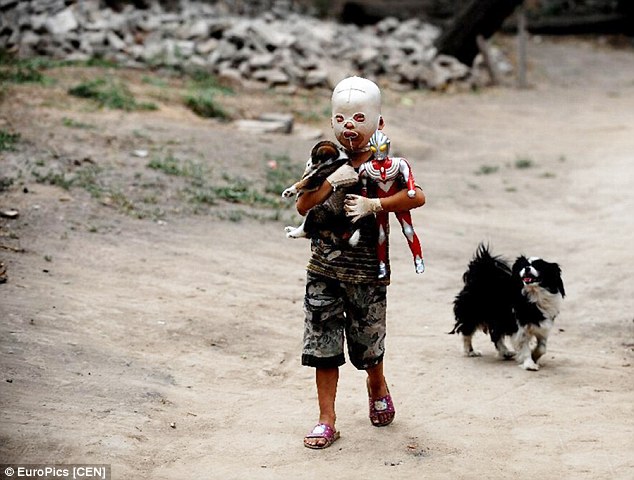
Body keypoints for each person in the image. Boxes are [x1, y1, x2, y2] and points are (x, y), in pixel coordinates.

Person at [295, 76, 426, 449]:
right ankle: (326, 419)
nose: (348, 126)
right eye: (340, 118)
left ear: (378, 123)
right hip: (324, 268)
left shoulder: (389, 164)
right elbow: (302, 206)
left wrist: (377, 204)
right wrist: (332, 182)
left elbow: (417, 197)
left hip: (368, 270)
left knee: (368, 342)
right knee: (322, 344)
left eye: (357, 117)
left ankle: (376, 382)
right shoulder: (322, 158)